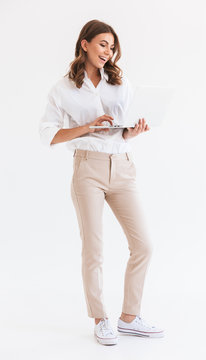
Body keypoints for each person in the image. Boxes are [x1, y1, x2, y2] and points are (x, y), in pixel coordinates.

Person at [39, 19, 164, 346]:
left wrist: (131, 132)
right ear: (85, 44)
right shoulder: (63, 88)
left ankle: (129, 317)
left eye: (112, 47)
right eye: (102, 45)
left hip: (122, 166)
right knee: (93, 249)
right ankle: (100, 318)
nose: (108, 52)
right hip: (88, 170)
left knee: (144, 244)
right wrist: (87, 127)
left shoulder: (120, 83)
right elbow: (48, 135)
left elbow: (122, 127)